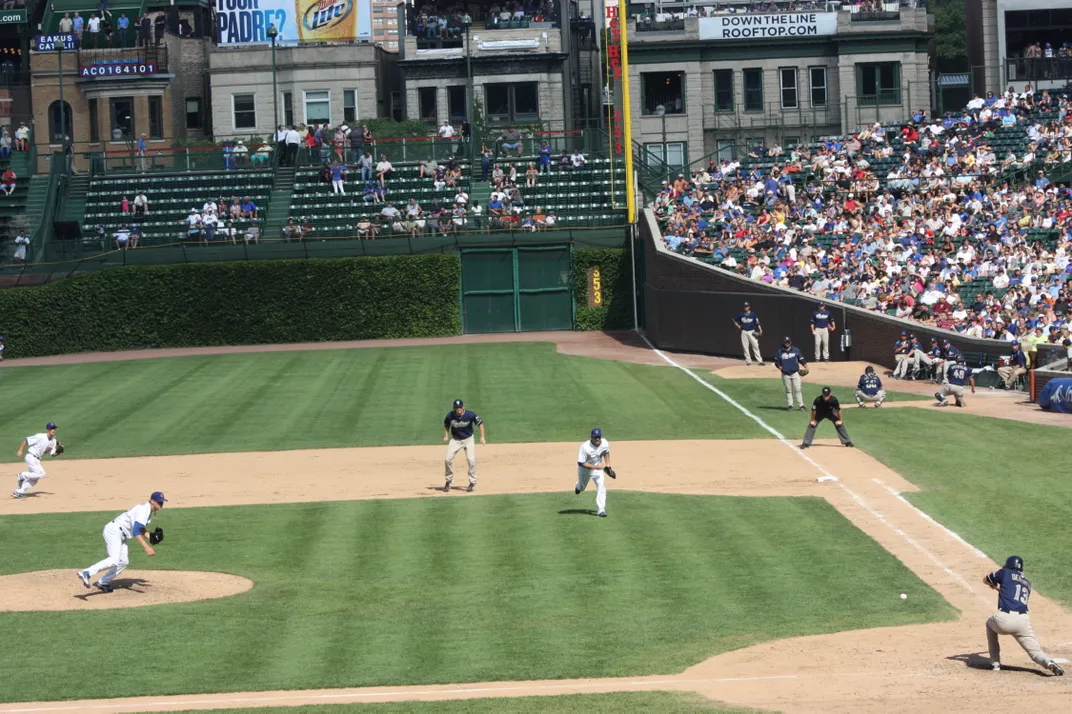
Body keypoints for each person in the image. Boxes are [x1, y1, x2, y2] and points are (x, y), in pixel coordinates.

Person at [984, 555, 1064, 675]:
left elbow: (986, 579)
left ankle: (995, 663)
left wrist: (993, 585)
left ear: (1009, 565)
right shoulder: (1027, 583)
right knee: (1036, 652)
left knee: (989, 625)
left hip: (1004, 619)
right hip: (1023, 622)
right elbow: (1013, 595)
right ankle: (1048, 662)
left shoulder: (1005, 572)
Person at [77, 492, 166, 593]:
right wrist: (146, 547)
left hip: (121, 534)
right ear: (152, 501)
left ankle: (103, 582)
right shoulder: (144, 510)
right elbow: (136, 531)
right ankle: (87, 572)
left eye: (162, 502)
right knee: (114, 560)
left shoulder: (147, 509)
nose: (161, 504)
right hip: (114, 531)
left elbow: (140, 528)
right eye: (159, 502)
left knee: (123, 562)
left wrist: (149, 535)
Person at [443, 399, 486, 492]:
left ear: (463, 407)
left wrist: (482, 437)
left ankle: (472, 482)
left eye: (460, 407)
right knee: (447, 459)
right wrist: (446, 435)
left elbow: (480, 423)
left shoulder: (470, 414)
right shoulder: (450, 415)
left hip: (468, 439)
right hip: (455, 440)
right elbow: (446, 425)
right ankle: (448, 481)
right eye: (456, 408)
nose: (458, 409)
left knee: (471, 460)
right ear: (454, 408)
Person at [12, 422, 62, 499]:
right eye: (51, 428)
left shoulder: (54, 441)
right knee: (41, 474)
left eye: (54, 428)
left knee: (35, 480)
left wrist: (58, 452)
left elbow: (52, 454)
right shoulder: (40, 436)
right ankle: (22, 475)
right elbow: (26, 440)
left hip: (37, 459)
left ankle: (18, 492)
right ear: (47, 430)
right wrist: (20, 450)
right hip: (31, 456)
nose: (53, 430)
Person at [575, 428, 614, 518]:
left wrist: (608, 466)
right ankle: (578, 486)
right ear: (591, 438)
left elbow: (606, 453)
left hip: (598, 470)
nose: (597, 439)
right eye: (595, 437)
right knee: (582, 487)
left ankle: (601, 510)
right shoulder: (585, 447)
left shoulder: (604, 443)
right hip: (584, 469)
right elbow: (581, 463)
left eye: (599, 437)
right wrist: (596, 467)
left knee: (601, 486)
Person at [773, 336, 807, 411]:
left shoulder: (796, 350)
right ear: (784, 343)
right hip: (785, 374)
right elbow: (776, 362)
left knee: (798, 389)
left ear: (790, 343)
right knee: (788, 390)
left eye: (788, 342)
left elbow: (801, 359)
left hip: (795, 373)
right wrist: (779, 367)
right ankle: (790, 406)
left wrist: (806, 367)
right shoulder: (780, 352)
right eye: (786, 342)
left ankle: (801, 406)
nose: (787, 343)